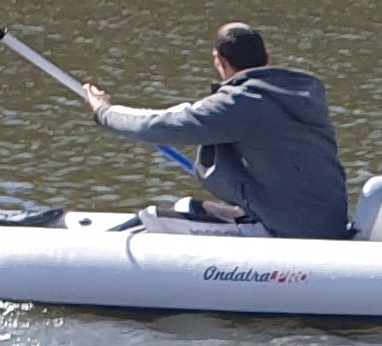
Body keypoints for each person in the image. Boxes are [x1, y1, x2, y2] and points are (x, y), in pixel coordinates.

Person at [81, 22, 350, 241]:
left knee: (150, 217)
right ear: (268, 60)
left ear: (219, 60)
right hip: (327, 221)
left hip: (290, 230)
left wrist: (104, 111)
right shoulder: (303, 96)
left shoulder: (239, 104)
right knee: (186, 207)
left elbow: (157, 124)